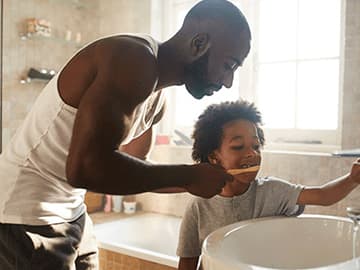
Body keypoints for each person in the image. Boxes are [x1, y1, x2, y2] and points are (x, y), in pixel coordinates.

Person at [0, 1, 252, 269]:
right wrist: (190, 177)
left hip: (71, 212)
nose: (228, 82)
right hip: (26, 213)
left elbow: (131, 171)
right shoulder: (132, 59)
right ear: (199, 44)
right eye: (229, 65)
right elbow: (86, 169)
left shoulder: (157, 101)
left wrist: (205, 177)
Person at [176, 100, 360, 270]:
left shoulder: (272, 192)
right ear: (213, 157)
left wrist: (352, 179)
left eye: (256, 146)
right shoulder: (199, 206)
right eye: (238, 147)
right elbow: (187, 262)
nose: (252, 154)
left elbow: (322, 195)